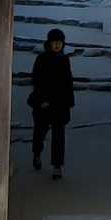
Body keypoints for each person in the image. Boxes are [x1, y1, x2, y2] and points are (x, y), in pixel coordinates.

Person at [28, 29, 75, 180]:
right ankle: (37, 154)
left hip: (60, 104)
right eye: (54, 42)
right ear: (49, 43)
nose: (57, 45)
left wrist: (69, 102)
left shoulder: (64, 59)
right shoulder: (41, 58)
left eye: (59, 42)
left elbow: (68, 82)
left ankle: (57, 166)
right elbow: (36, 80)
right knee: (39, 133)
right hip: (44, 104)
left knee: (58, 136)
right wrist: (41, 100)